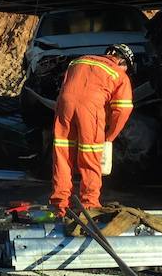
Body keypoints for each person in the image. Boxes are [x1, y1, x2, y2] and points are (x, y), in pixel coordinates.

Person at [49, 44, 135, 217]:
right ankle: (90, 205)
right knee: (90, 157)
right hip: (90, 109)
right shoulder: (118, 73)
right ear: (122, 61)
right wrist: (109, 136)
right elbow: (123, 108)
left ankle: (60, 206)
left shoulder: (77, 61)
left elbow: (65, 89)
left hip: (64, 107)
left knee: (63, 155)